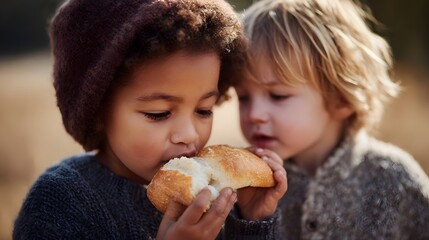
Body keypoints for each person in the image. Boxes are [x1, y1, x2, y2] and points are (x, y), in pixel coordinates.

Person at [13, 0, 288, 239]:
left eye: (204, 109)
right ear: (97, 112)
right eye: (159, 114)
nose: (189, 134)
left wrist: (252, 222)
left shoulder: (216, 193)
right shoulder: (60, 203)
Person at [234, 0, 429, 239]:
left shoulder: (395, 180)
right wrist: (253, 224)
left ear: (340, 100)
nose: (254, 114)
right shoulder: (245, 186)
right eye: (243, 98)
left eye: (278, 96)